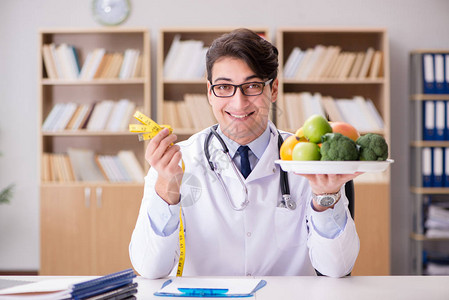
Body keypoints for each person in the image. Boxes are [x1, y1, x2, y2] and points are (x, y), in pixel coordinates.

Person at [129, 28, 360, 279]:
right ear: (210, 92)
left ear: (273, 90)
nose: (239, 103)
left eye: (252, 85)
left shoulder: (310, 161)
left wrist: (326, 196)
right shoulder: (174, 163)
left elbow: (337, 269)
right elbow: (149, 269)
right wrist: (167, 190)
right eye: (224, 87)